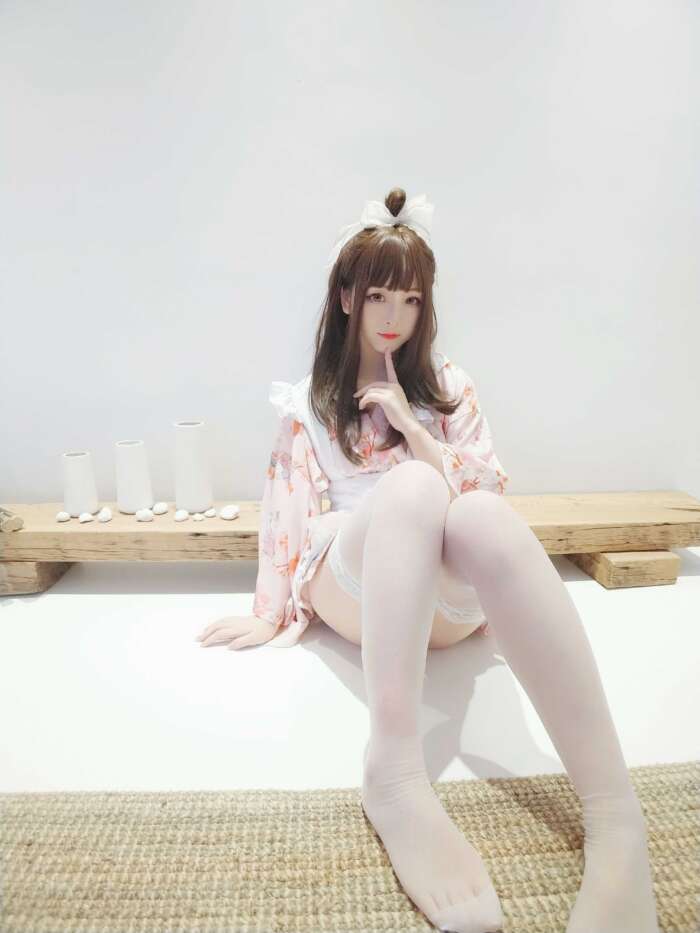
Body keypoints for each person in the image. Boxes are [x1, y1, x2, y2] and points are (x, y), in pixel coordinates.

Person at [196, 189, 660, 933]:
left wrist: (414, 428)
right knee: (412, 490)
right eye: (378, 295)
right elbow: (288, 506)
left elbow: (487, 488)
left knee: (476, 512)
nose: (394, 315)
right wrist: (268, 611)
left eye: (410, 299)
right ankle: (395, 769)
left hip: (442, 600)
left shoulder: (449, 387)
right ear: (345, 297)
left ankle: (616, 816)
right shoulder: (310, 403)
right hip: (353, 583)